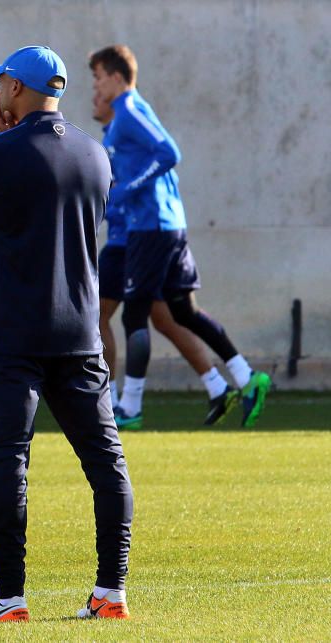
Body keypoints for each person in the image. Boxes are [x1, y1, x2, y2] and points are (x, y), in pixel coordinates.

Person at [0, 45, 133, 622]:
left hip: (11, 336)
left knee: (7, 461)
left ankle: (10, 597)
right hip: (79, 334)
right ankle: (111, 591)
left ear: (18, 90)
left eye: (1, 82)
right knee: (106, 462)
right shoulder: (96, 154)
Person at [89, 45, 271, 429]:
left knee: (137, 315)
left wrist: (129, 188)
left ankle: (131, 407)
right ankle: (244, 377)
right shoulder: (124, 116)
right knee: (182, 313)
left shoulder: (129, 109)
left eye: (99, 77)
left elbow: (169, 152)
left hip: (151, 227)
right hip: (164, 225)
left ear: (118, 77)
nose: (96, 85)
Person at [91, 93, 221, 417]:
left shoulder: (126, 133)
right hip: (136, 239)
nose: (95, 97)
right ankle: (218, 384)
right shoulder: (113, 140)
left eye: (99, 85)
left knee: (99, 315)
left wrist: (106, 204)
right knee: (163, 318)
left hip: (129, 243)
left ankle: (113, 401)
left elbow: (162, 161)